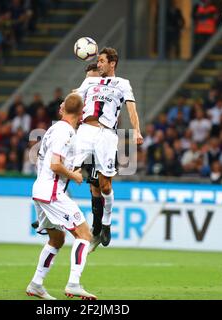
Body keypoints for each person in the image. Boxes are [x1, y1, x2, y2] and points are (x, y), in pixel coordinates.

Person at [26, 93, 97, 300]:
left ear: (62, 109)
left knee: (57, 239)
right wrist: (74, 174)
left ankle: (36, 284)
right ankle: (74, 283)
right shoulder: (64, 132)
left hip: (41, 190)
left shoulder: (55, 129)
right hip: (52, 192)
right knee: (84, 235)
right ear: (81, 113)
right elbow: (55, 164)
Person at [73, 47, 144, 250]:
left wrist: (136, 130)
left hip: (107, 135)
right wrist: (65, 106)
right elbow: (75, 99)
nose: (99, 64)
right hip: (86, 129)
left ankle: (106, 223)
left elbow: (131, 108)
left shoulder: (122, 84)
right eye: (98, 61)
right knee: (65, 168)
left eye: (102, 61)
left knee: (104, 186)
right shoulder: (89, 81)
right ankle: (48, 218)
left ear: (112, 63)